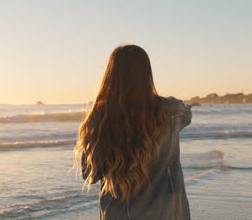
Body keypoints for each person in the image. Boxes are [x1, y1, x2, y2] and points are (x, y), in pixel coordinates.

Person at [74, 45, 192, 219]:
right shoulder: (171, 110)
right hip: (166, 213)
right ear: (147, 74)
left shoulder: (101, 119)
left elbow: (89, 175)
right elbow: (187, 114)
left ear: (110, 75)